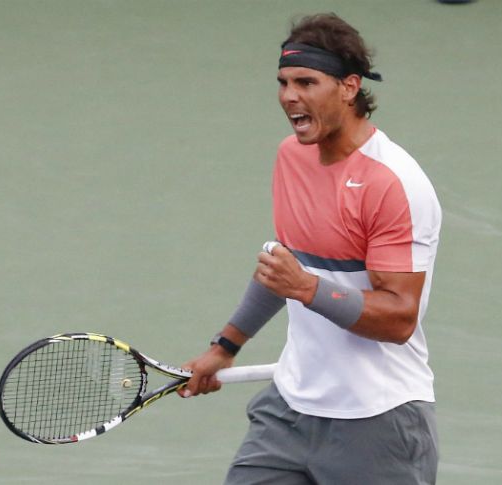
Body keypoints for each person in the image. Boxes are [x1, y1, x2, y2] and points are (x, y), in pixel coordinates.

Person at [178, 12, 442, 485]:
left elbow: (400, 318)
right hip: (288, 414)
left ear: (349, 87)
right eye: (283, 82)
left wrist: (308, 288)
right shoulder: (291, 157)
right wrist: (224, 347)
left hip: (377, 424)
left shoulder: (394, 183)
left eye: (306, 81)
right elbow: (283, 266)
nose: (289, 97)